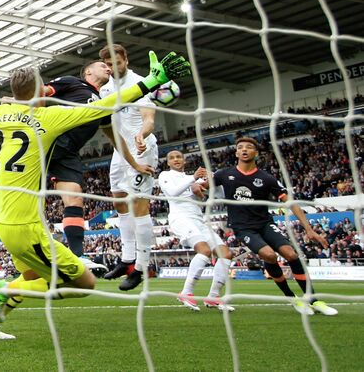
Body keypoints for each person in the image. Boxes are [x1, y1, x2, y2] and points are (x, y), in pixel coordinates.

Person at [0, 49, 191, 340]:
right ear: (39, 90)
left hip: (0, 219)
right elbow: (107, 105)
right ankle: (4, 289)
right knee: (83, 284)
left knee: (33, 276)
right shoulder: (48, 118)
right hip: (26, 227)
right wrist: (151, 82)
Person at [0, 61, 151, 271]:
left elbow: (114, 138)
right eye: (101, 65)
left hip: (68, 154)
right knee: (7, 172)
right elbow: (39, 91)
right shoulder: (72, 83)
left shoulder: (104, 103)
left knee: (75, 197)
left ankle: (78, 255)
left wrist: (134, 164)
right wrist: (15, 102)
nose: (107, 67)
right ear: (88, 71)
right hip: (49, 139)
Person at [212, 137, 338, 316]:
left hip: (265, 223)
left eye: (249, 147)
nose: (244, 150)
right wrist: (196, 185)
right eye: (240, 147)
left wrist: (309, 229)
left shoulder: (266, 178)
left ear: (256, 153)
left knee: (291, 254)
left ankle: (314, 299)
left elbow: (291, 202)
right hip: (243, 227)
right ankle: (291, 297)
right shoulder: (224, 174)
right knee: (269, 255)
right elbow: (203, 187)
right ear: (236, 153)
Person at [99, 43, 159, 291]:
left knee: (139, 206)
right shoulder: (105, 89)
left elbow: (149, 118)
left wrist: (142, 135)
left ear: (126, 59)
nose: (113, 68)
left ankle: (142, 268)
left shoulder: (141, 83)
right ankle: (126, 259)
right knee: (119, 202)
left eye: (117, 62)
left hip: (142, 147)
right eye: (109, 64)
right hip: (120, 151)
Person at [157, 150, 234, 312]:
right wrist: (192, 179)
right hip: (180, 218)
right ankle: (186, 292)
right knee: (204, 251)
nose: (176, 159)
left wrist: (214, 181)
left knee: (225, 253)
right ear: (168, 163)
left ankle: (213, 296)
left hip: (199, 220)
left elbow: (219, 195)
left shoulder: (194, 178)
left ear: (184, 161)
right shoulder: (165, 175)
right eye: (172, 158)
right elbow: (172, 193)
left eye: (179, 157)